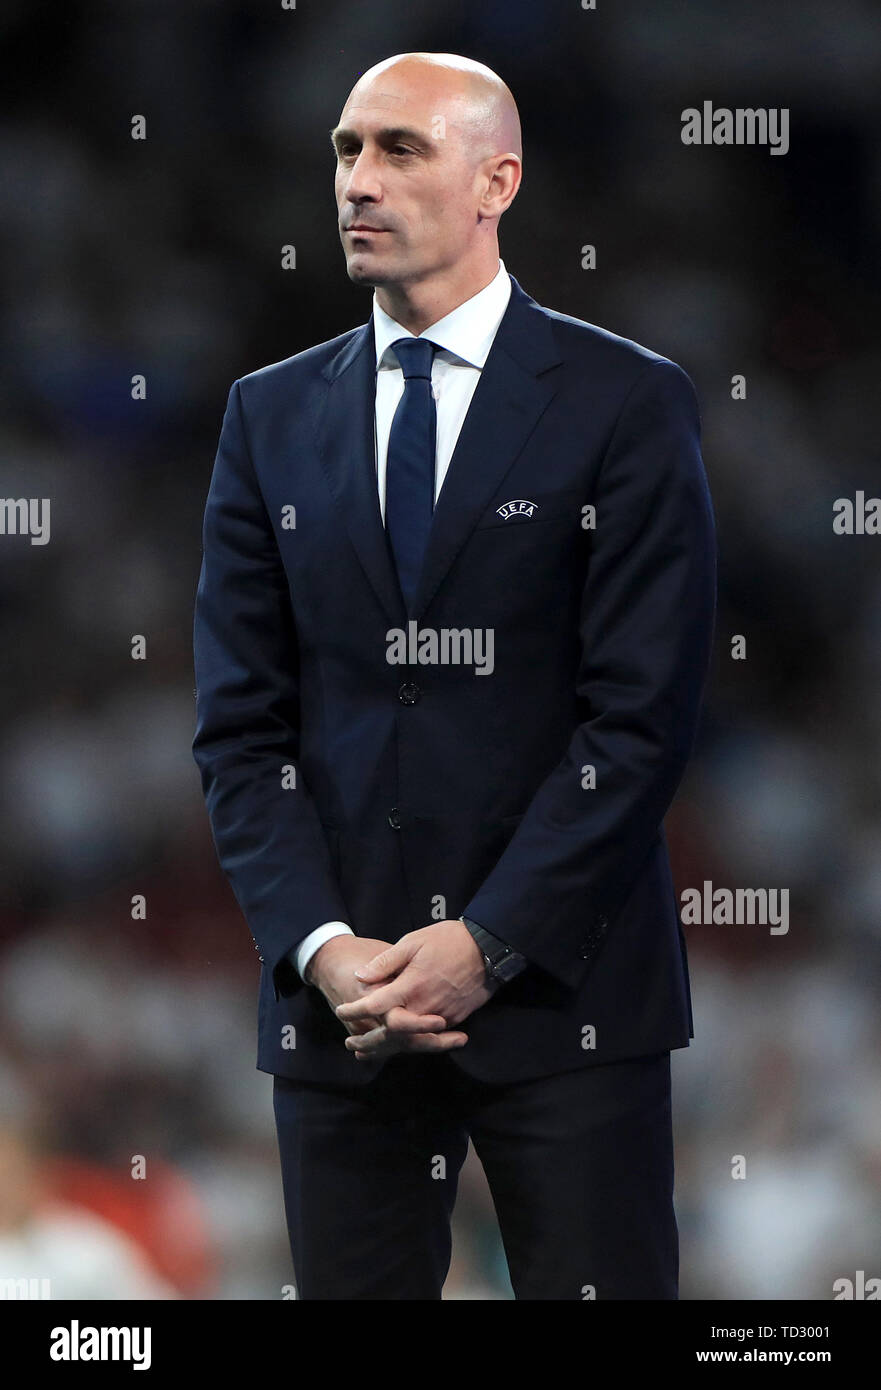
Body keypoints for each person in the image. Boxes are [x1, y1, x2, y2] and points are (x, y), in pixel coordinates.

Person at [192, 51, 716, 1300]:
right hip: (347, 1009)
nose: (356, 183)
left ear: (498, 180)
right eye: (343, 151)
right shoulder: (266, 416)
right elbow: (237, 730)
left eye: (397, 150)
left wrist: (486, 943)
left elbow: (639, 721)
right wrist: (322, 947)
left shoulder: (625, 402)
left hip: (565, 999)